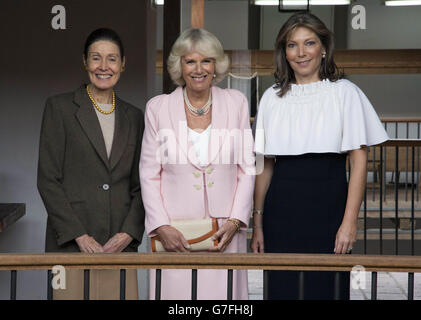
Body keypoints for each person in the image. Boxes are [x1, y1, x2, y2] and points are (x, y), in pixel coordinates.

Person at [251, 12, 389, 300]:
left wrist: (350, 222)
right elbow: (264, 166)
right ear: (284, 52)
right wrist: (258, 225)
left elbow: (359, 161)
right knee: (282, 290)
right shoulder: (270, 98)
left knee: (327, 289)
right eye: (292, 45)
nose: (301, 53)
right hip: (281, 212)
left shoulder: (345, 93)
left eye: (309, 43)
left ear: (323, 48)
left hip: (329, 209)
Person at [139, 28, 255, 300]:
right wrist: (161, 227)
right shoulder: (158, 108)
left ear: (216, 65)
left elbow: (247, 167)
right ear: (179, 66)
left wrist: (237, 219)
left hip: (225, 230)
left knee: (224, 301)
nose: (198, 68)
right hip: (176, 233)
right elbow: (148, 173)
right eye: (190, 61)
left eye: (206, 61)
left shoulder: (236, 102)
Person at [37, 28, 144, 299]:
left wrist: (128, 234)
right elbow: (48, 179)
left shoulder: (135, 116)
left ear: (123, 64)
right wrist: (80, 236)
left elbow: (142, 184)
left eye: (112, 59)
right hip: (70, 246)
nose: (104, 66)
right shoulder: (59, 108)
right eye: (96, 58)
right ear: (85, 62)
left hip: (118, 248)